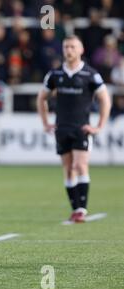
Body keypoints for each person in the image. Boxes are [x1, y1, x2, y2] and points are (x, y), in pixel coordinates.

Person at [36, 35, 111, 223]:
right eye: (66, 47)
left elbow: (105, 99)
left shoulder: (90, 74)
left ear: (81, 50)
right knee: (68, 169)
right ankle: (76, 208)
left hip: (81, 128)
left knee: (80, 165)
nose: (69, 50)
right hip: (62, 128)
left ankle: (82, 209)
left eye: (72, 47)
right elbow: (41, 98)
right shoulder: (55, 74)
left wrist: (100, 125)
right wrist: (46, 122)